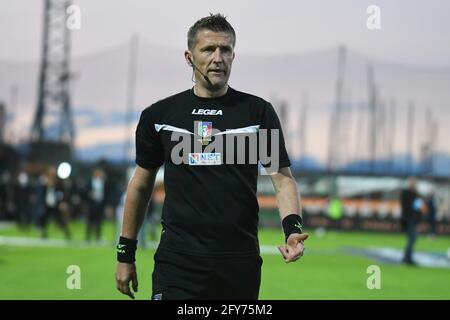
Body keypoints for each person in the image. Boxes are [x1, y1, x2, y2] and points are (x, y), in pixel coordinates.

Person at [115, 13, 309, 300]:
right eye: (208, 49)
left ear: (233, 55)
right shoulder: (160, 116)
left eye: (226, 49)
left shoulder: (257, 113)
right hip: (178, 262)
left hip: (239, 262)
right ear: (189, 56)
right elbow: (141, 185)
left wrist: (292, 229)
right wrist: (125, 254)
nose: (218, 57)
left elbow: (282, 180)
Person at [400, 177, 425, 265]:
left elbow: (419, 208)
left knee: (412, 239)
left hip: (414, 220)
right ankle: (407, 258)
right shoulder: (406, 193)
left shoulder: (415, 194)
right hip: (408, 220)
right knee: (412, 239)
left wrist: (419, 220)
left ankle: (407, 257)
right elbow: (407, 207)